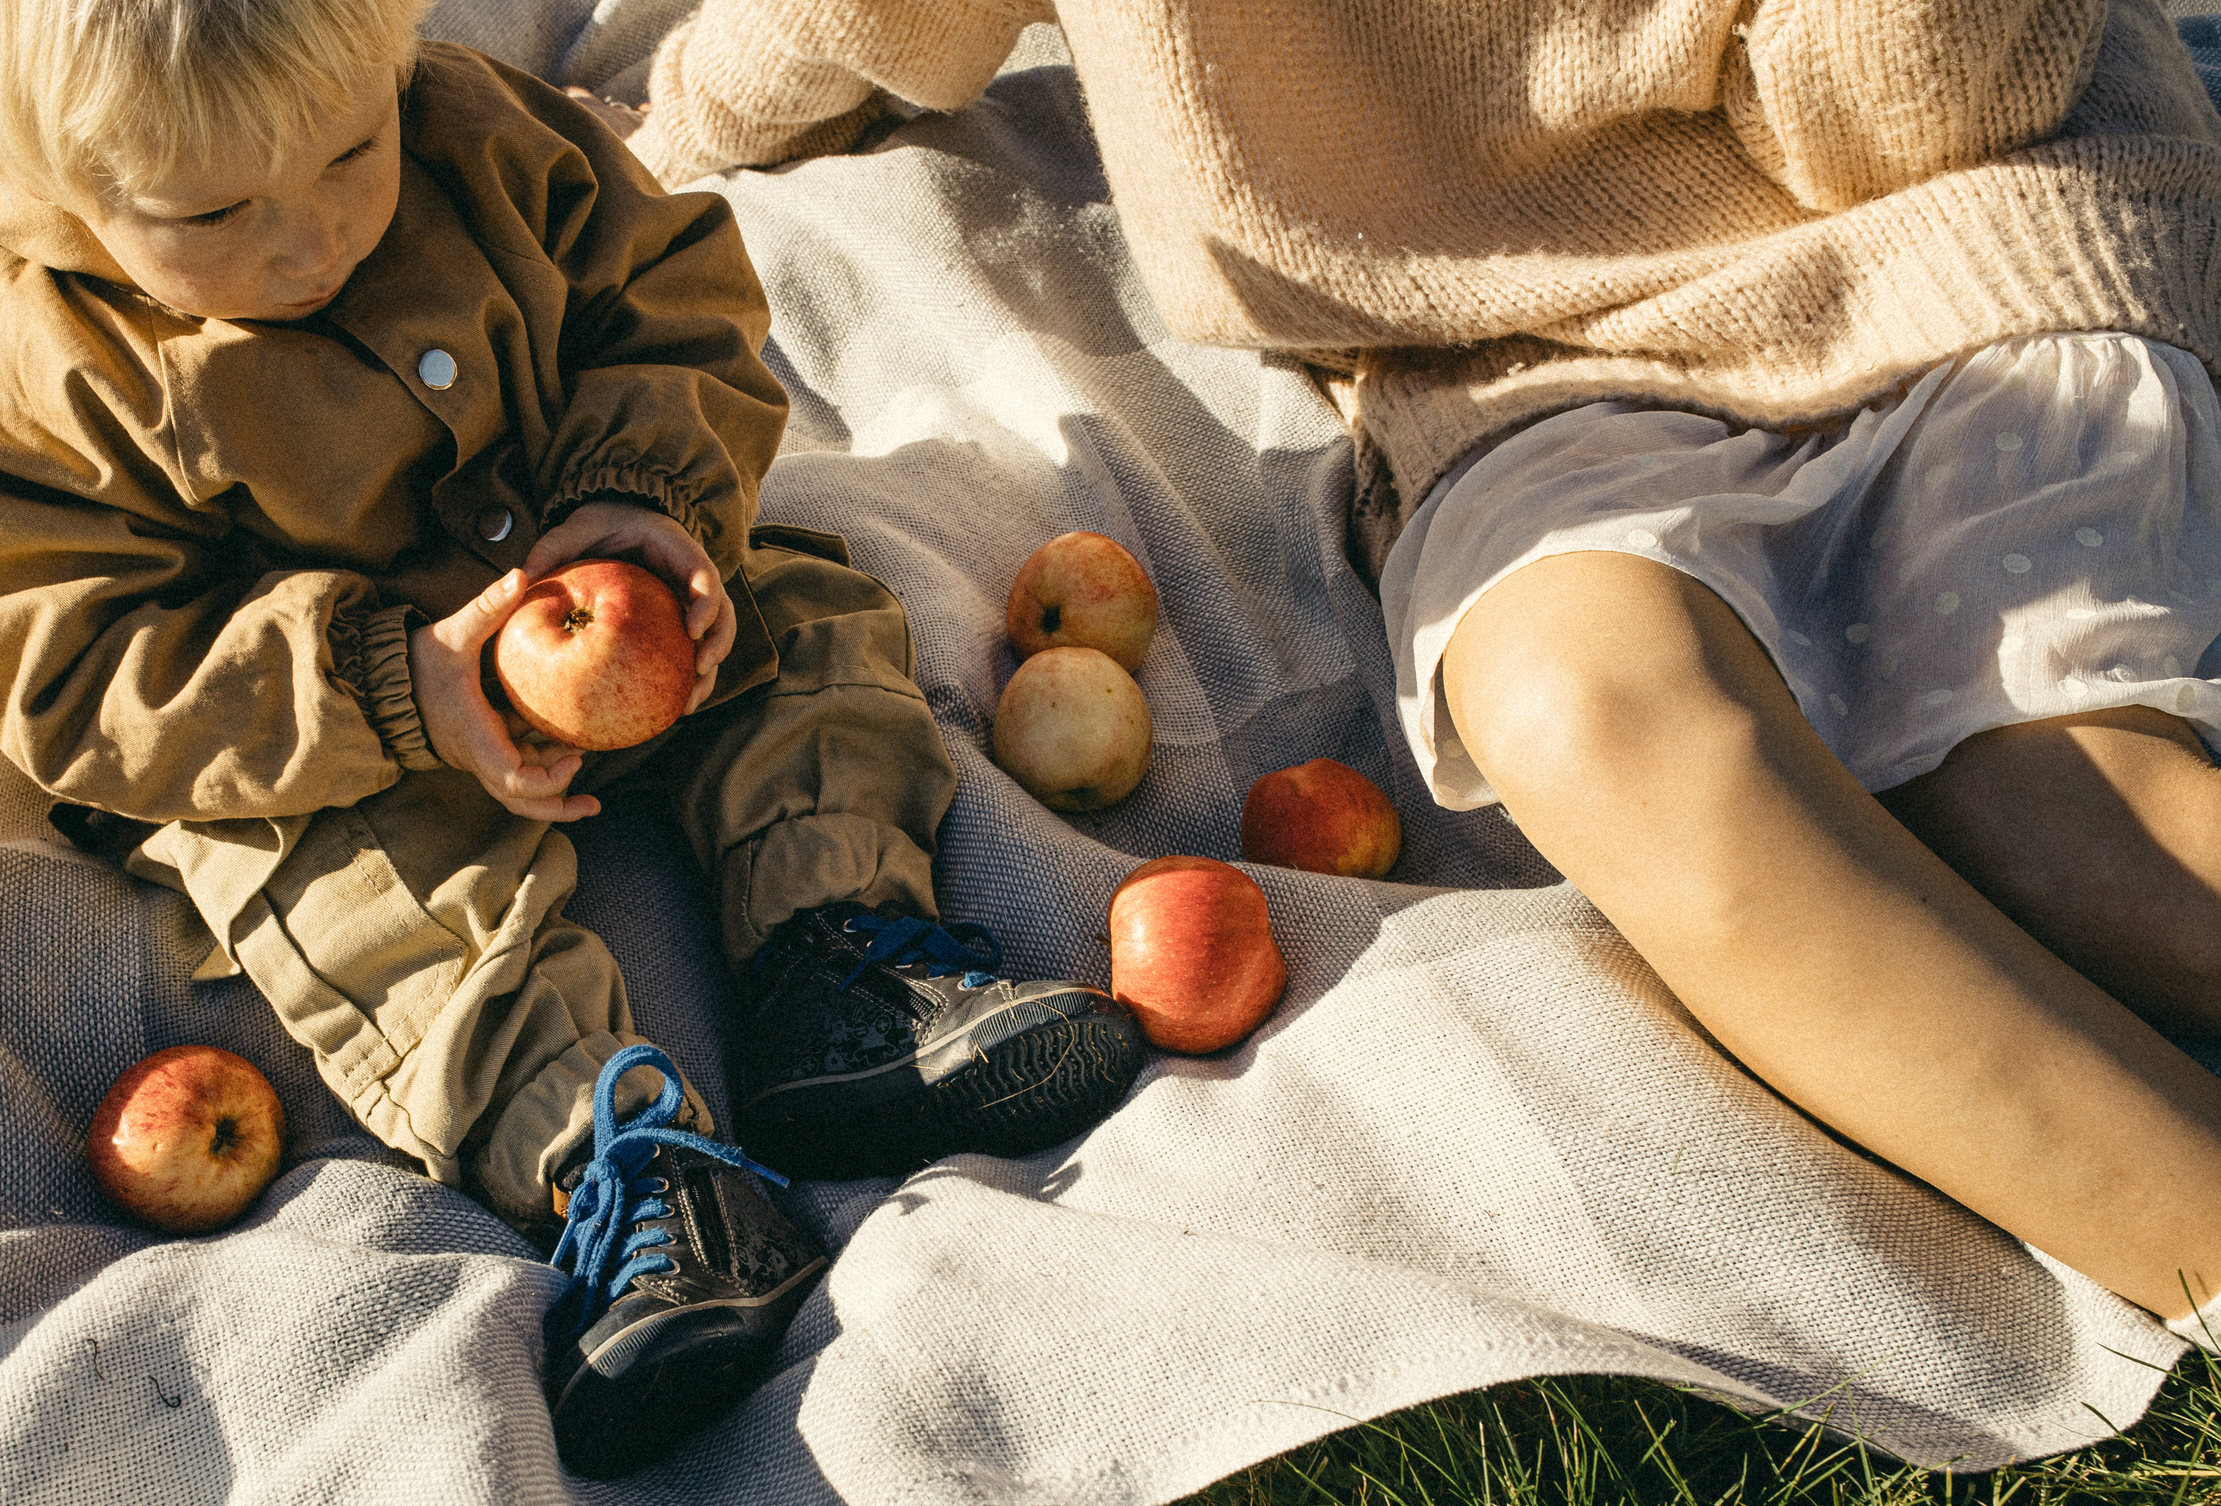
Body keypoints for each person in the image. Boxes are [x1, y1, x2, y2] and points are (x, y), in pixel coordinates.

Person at [620, 0, 2221, 1337]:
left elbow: (1916, 119)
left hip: (1937, 237)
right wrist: (635, 137)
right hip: (1509, 369)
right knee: (1583, 716)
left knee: (2055, 820)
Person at [0, 0, 1146, 1479]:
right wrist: (389, 690)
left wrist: (650, 500)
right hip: (337, 748)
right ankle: (639, 1174)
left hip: (595, 599)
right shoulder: (12, 379)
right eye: (216, 213)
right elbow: (66, 666)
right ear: (51, 175)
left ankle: (841, 973)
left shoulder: (483, 139)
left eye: (354, 150)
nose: (313, 238)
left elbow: (674, 299)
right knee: (350, 902)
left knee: (809, 625)